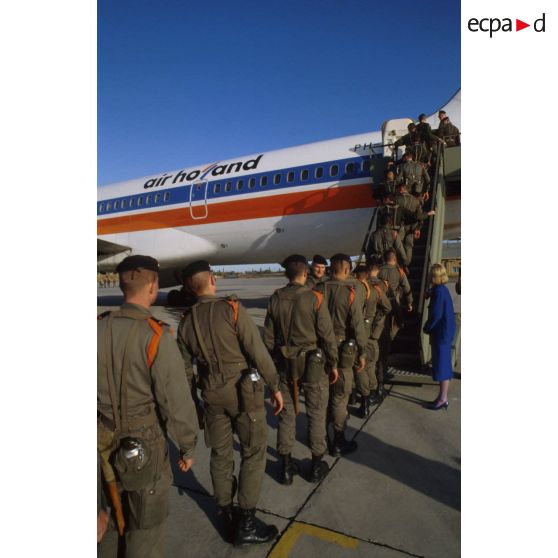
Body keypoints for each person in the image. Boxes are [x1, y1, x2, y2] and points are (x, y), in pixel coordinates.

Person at [97, 255, 199, 558]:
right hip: (145, 445)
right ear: (153, 285)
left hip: (101, 440)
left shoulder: (94, 329)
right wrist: (188, 446)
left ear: (120, 283)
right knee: (146, 532)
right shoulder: (155, 336)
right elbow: (175, 401)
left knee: (111, 525)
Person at [177, 260, 283, 546]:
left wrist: (194, 405)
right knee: (253, 453)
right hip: (243, 394)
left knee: (220, 455)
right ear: (212, 279)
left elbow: (185, 371)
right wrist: (275, 385)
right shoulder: (232, 310)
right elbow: (257, 351)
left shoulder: (186, 323)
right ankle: (246, 522)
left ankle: (225, 514)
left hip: (210, 396)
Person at [263, 254, 339, 484]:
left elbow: (267, 339)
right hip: (313, 365)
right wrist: (333, 363)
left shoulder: (276, 298)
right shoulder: (315, 298)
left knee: (286, 413)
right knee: (316, 412)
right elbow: (327, 335)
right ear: (306, 273)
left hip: (284, 365)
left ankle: (286, 466)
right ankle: (316, 465)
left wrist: (271, 367)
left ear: (287, 274)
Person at [320, 253, 367, 456]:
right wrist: (363, 352)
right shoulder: (350, 291)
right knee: (340, 396)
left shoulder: (318, 289)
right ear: (347, 269)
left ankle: (321, 436)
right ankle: (338, 440)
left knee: (323, 396)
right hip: (341, 352)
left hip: (320, 350)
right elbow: (357, 325)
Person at [353, 263, 392, 415]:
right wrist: (377, 322)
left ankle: (365, 398)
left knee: (360, 367)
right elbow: (387, 307)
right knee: (369, 366)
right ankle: (374, 392)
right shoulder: (376, 290)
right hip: (371, 335)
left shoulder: (355, 289)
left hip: (360, 334)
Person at [377, 250, 413, 388]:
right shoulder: (399, 271)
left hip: (379, 304)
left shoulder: (378, 270)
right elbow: (406, 287)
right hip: (394, 302)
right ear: (395, 259)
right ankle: (390, 340)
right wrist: (409, 302)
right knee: (395, 326)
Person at [423, 264, 456, 410]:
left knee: (442, 365)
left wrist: (427, 327)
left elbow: (436, 314)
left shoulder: (439, 292)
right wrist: (430, 292)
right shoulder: (441, 289)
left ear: (435, 276)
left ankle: (443, 399)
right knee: (443, 363)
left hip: (441, 332)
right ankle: (442, 397)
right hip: (446, 331)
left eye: (431, 275)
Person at [367, 255, 393, 401]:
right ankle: (379, 387)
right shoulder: (384, 285)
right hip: (381, 327)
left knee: (368, 359)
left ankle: (366, 390)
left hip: (365, 326)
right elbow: (390, 305)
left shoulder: (361, 283)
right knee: (381, 358)